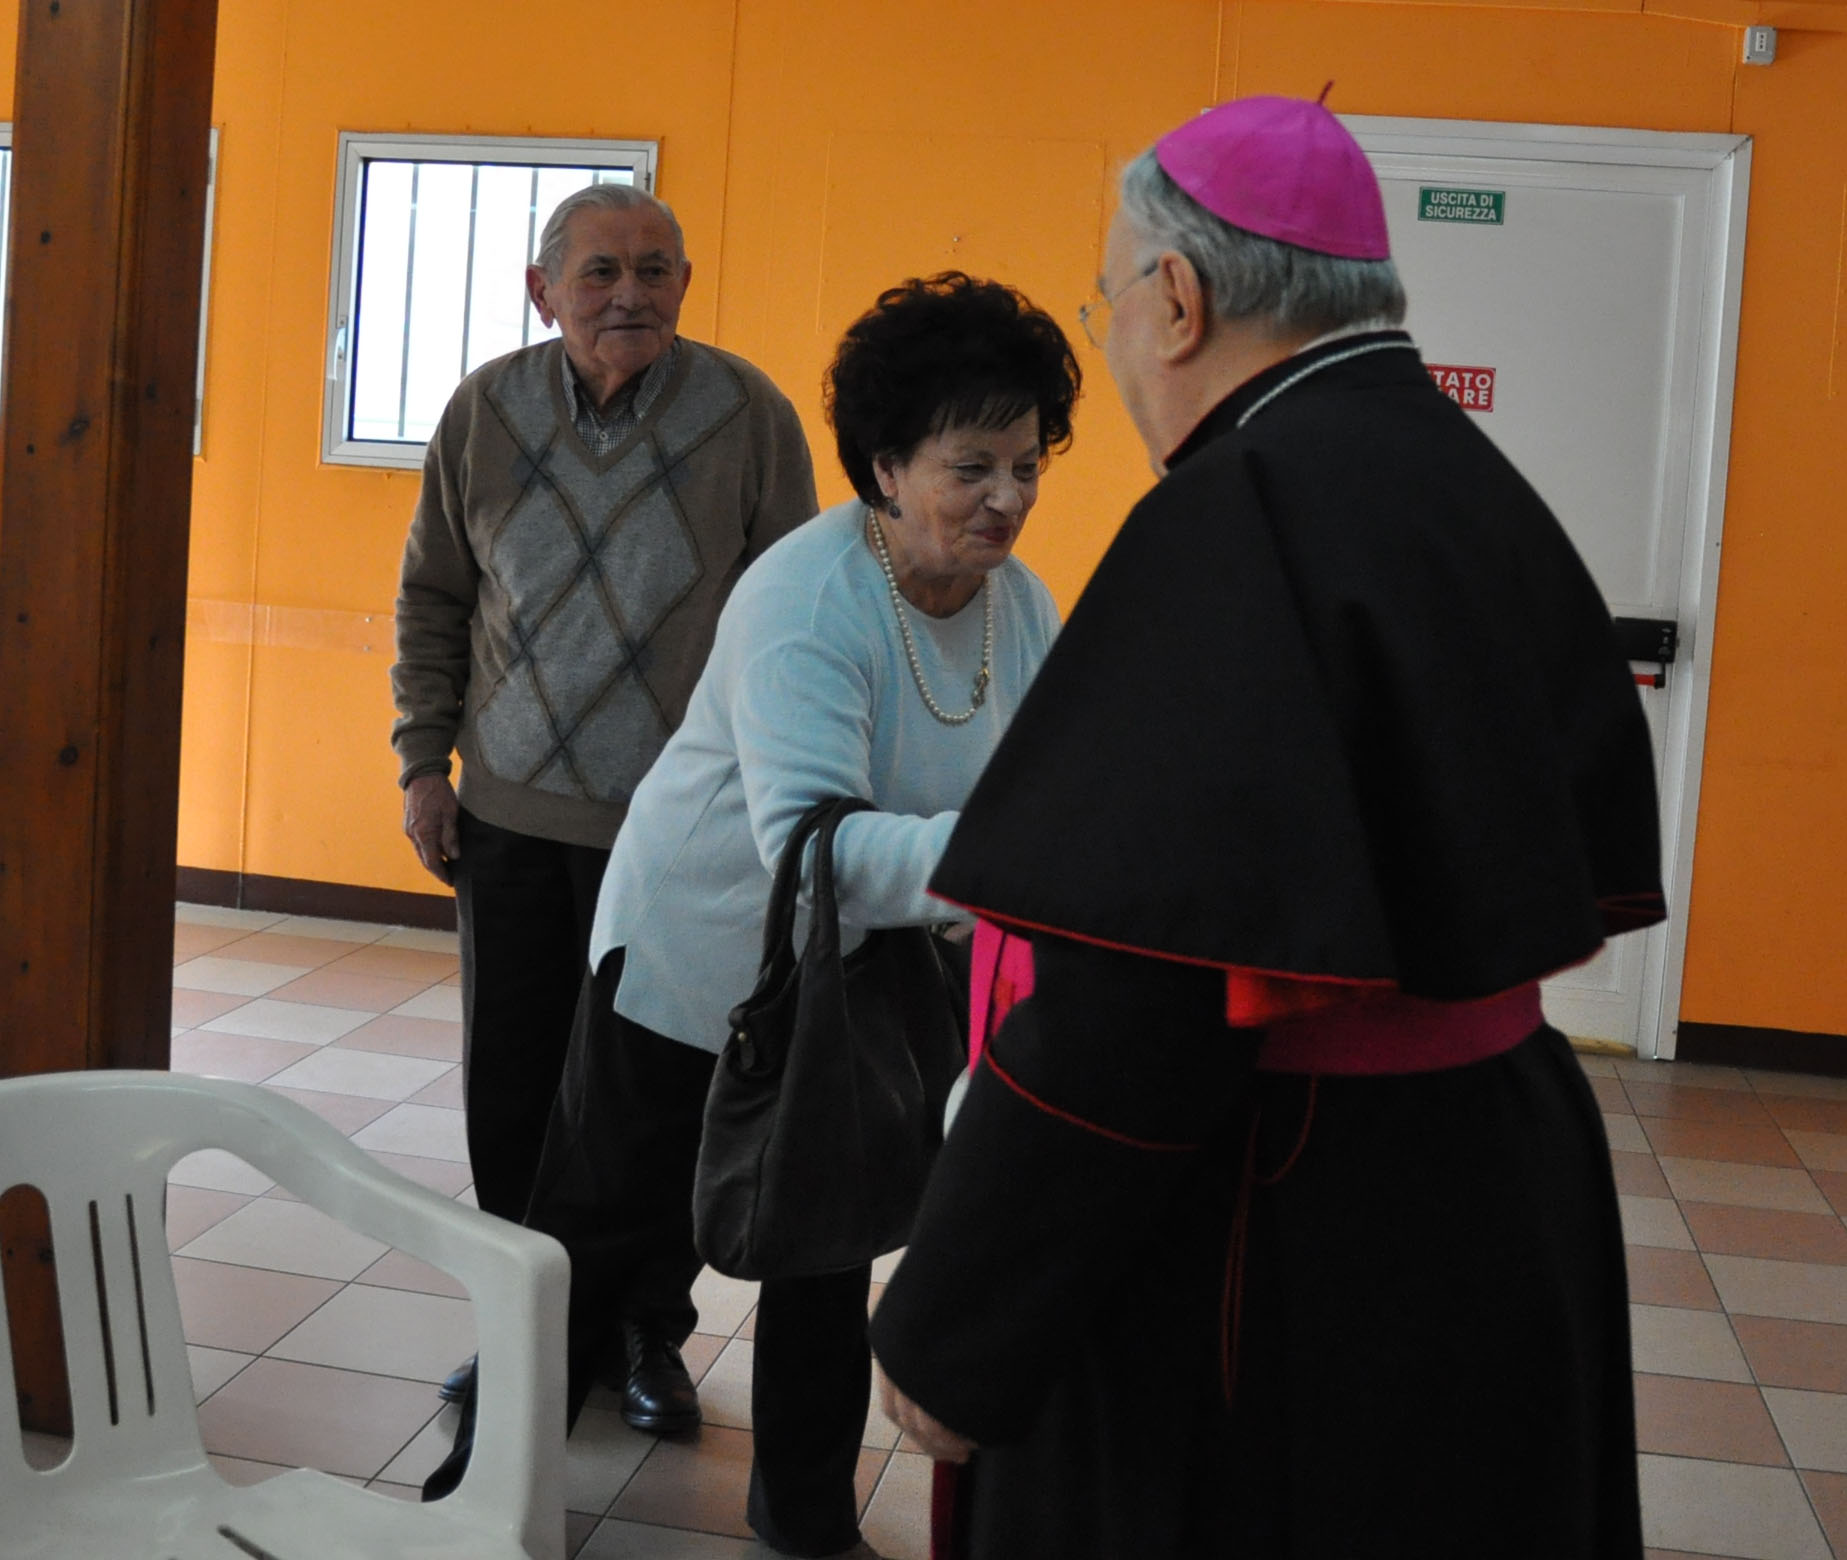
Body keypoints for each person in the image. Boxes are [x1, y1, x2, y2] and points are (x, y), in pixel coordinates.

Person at [869, 96, 1665, 1558]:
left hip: (1286, 1208)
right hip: (1495, 1169)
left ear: (1177, 299)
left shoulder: (1235, 513)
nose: (1116, 337)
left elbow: (1131, 1007)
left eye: (1111, 298)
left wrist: (955, 1322)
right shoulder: (1464, 475)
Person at [425, 272, 1080, 1557]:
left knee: (825, 1246)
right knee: (593, 1237)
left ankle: (806, 1522)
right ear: (886, 468)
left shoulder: (1024, 607)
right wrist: (1020, 861)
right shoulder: (807, 596)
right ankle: (473, 1502)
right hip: (696, 957)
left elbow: (1041, 788)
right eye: (970, 468)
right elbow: (813, 854)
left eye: (1025, 465)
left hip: (858, 974)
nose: (1005, 498)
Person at [390, 181, 817, 1428]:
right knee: (513, 1091)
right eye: (601, 271)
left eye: (655, 268)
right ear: (544, 291)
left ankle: (644, 1331)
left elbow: (789, 620)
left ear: (685, 281)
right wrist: (423, 764)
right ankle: (526, 1328)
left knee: (661, 1095)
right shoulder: (485, 412)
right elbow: (434, 599)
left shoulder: (748, 414)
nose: (630, 293)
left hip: (684, 837)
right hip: (512, 821)